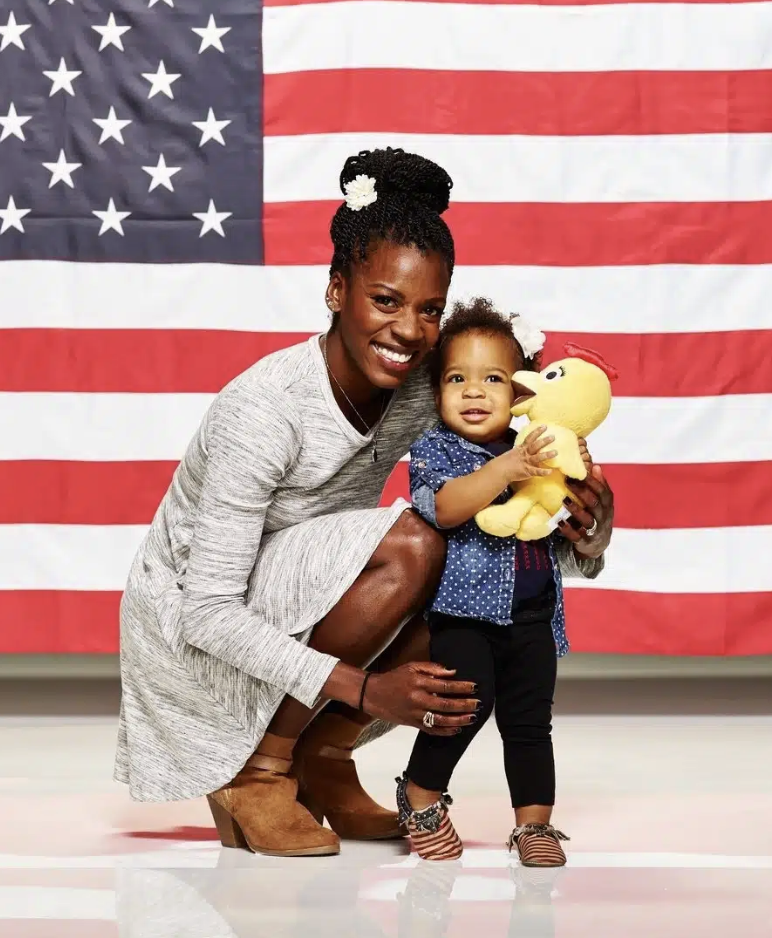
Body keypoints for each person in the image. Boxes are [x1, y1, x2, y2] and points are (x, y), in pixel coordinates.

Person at [114, 148, 614, 859]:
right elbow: (206, 610)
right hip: (192, 623)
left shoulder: (427, 386)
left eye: (429, 309)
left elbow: (506, 507)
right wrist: (368, 687)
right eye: (386, 301)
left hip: (306, 596)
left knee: (457, 541)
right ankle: (259, 774)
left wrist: (587, 526)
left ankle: (323, 754)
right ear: (336, 290)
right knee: (417, 541)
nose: (409, 331)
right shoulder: (265, 409)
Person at [394, 299, 612, 867]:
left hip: (534, 611)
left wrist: (577, 482)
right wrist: (505, 470)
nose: (473, 392)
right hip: (461, 614)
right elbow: (442, 508)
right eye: (456, 379)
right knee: (462, 704)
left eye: (492, 379)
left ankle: (534, 824)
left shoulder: (538, 443)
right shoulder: (436, 447)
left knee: (529, 719)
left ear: (521, 393)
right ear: (436, 390)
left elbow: (563, 528)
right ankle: (420, 794)